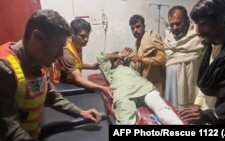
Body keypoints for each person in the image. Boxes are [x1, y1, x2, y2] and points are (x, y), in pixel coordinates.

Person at [0, 10, 102, 141]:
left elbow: (52, 97)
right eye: (58, 47)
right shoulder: (4, 70)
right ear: (37, 37)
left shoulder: (38, 62)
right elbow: (10, 132)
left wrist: (81, 112)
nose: (61, 54)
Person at [180, 0, 225, 124]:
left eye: (202, 23)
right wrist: (198, 104)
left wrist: (209, 115)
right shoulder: (211, 43)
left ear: (221, 20)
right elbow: (207, 79)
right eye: (195, 24)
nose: (197, 30)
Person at [97, 47, 184, 125]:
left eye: (120, 59)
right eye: (115, 60)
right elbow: (100, 58)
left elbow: (133, 57)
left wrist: (125, 56)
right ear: (112, 65)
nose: (119, 60)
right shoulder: (110, 73)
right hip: (123, 93)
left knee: (162, 109)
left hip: (143, 87)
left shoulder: (130, 67)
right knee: (125, 119)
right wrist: (119, 54)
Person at [51, 18, 110, 95]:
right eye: (82, 36)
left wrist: (92, 67)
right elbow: (78, 79)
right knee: (95, 92)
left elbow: (77, 64)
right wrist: (102, 88)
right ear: (73, 34)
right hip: (63, 86)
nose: (86, 39)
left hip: (72, 81)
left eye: (88, 36)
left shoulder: (78, 45)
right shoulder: (66, 52)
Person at [163, 6, 205, 110]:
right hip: (171, 85)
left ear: (186, 20)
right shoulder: (167, 39)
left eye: (178, 23)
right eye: (172, 24)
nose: (174, 28)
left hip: (191, 87)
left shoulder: (197, 37)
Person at [127, 14, 166, 97]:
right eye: (132, 28)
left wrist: (142, 59)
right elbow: (138, 59)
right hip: (145, 82)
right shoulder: (138, 42)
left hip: (156, 81)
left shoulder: (151, 36)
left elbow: (162, 59)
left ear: (144, 26)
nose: (135, 30)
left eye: (138, 27)